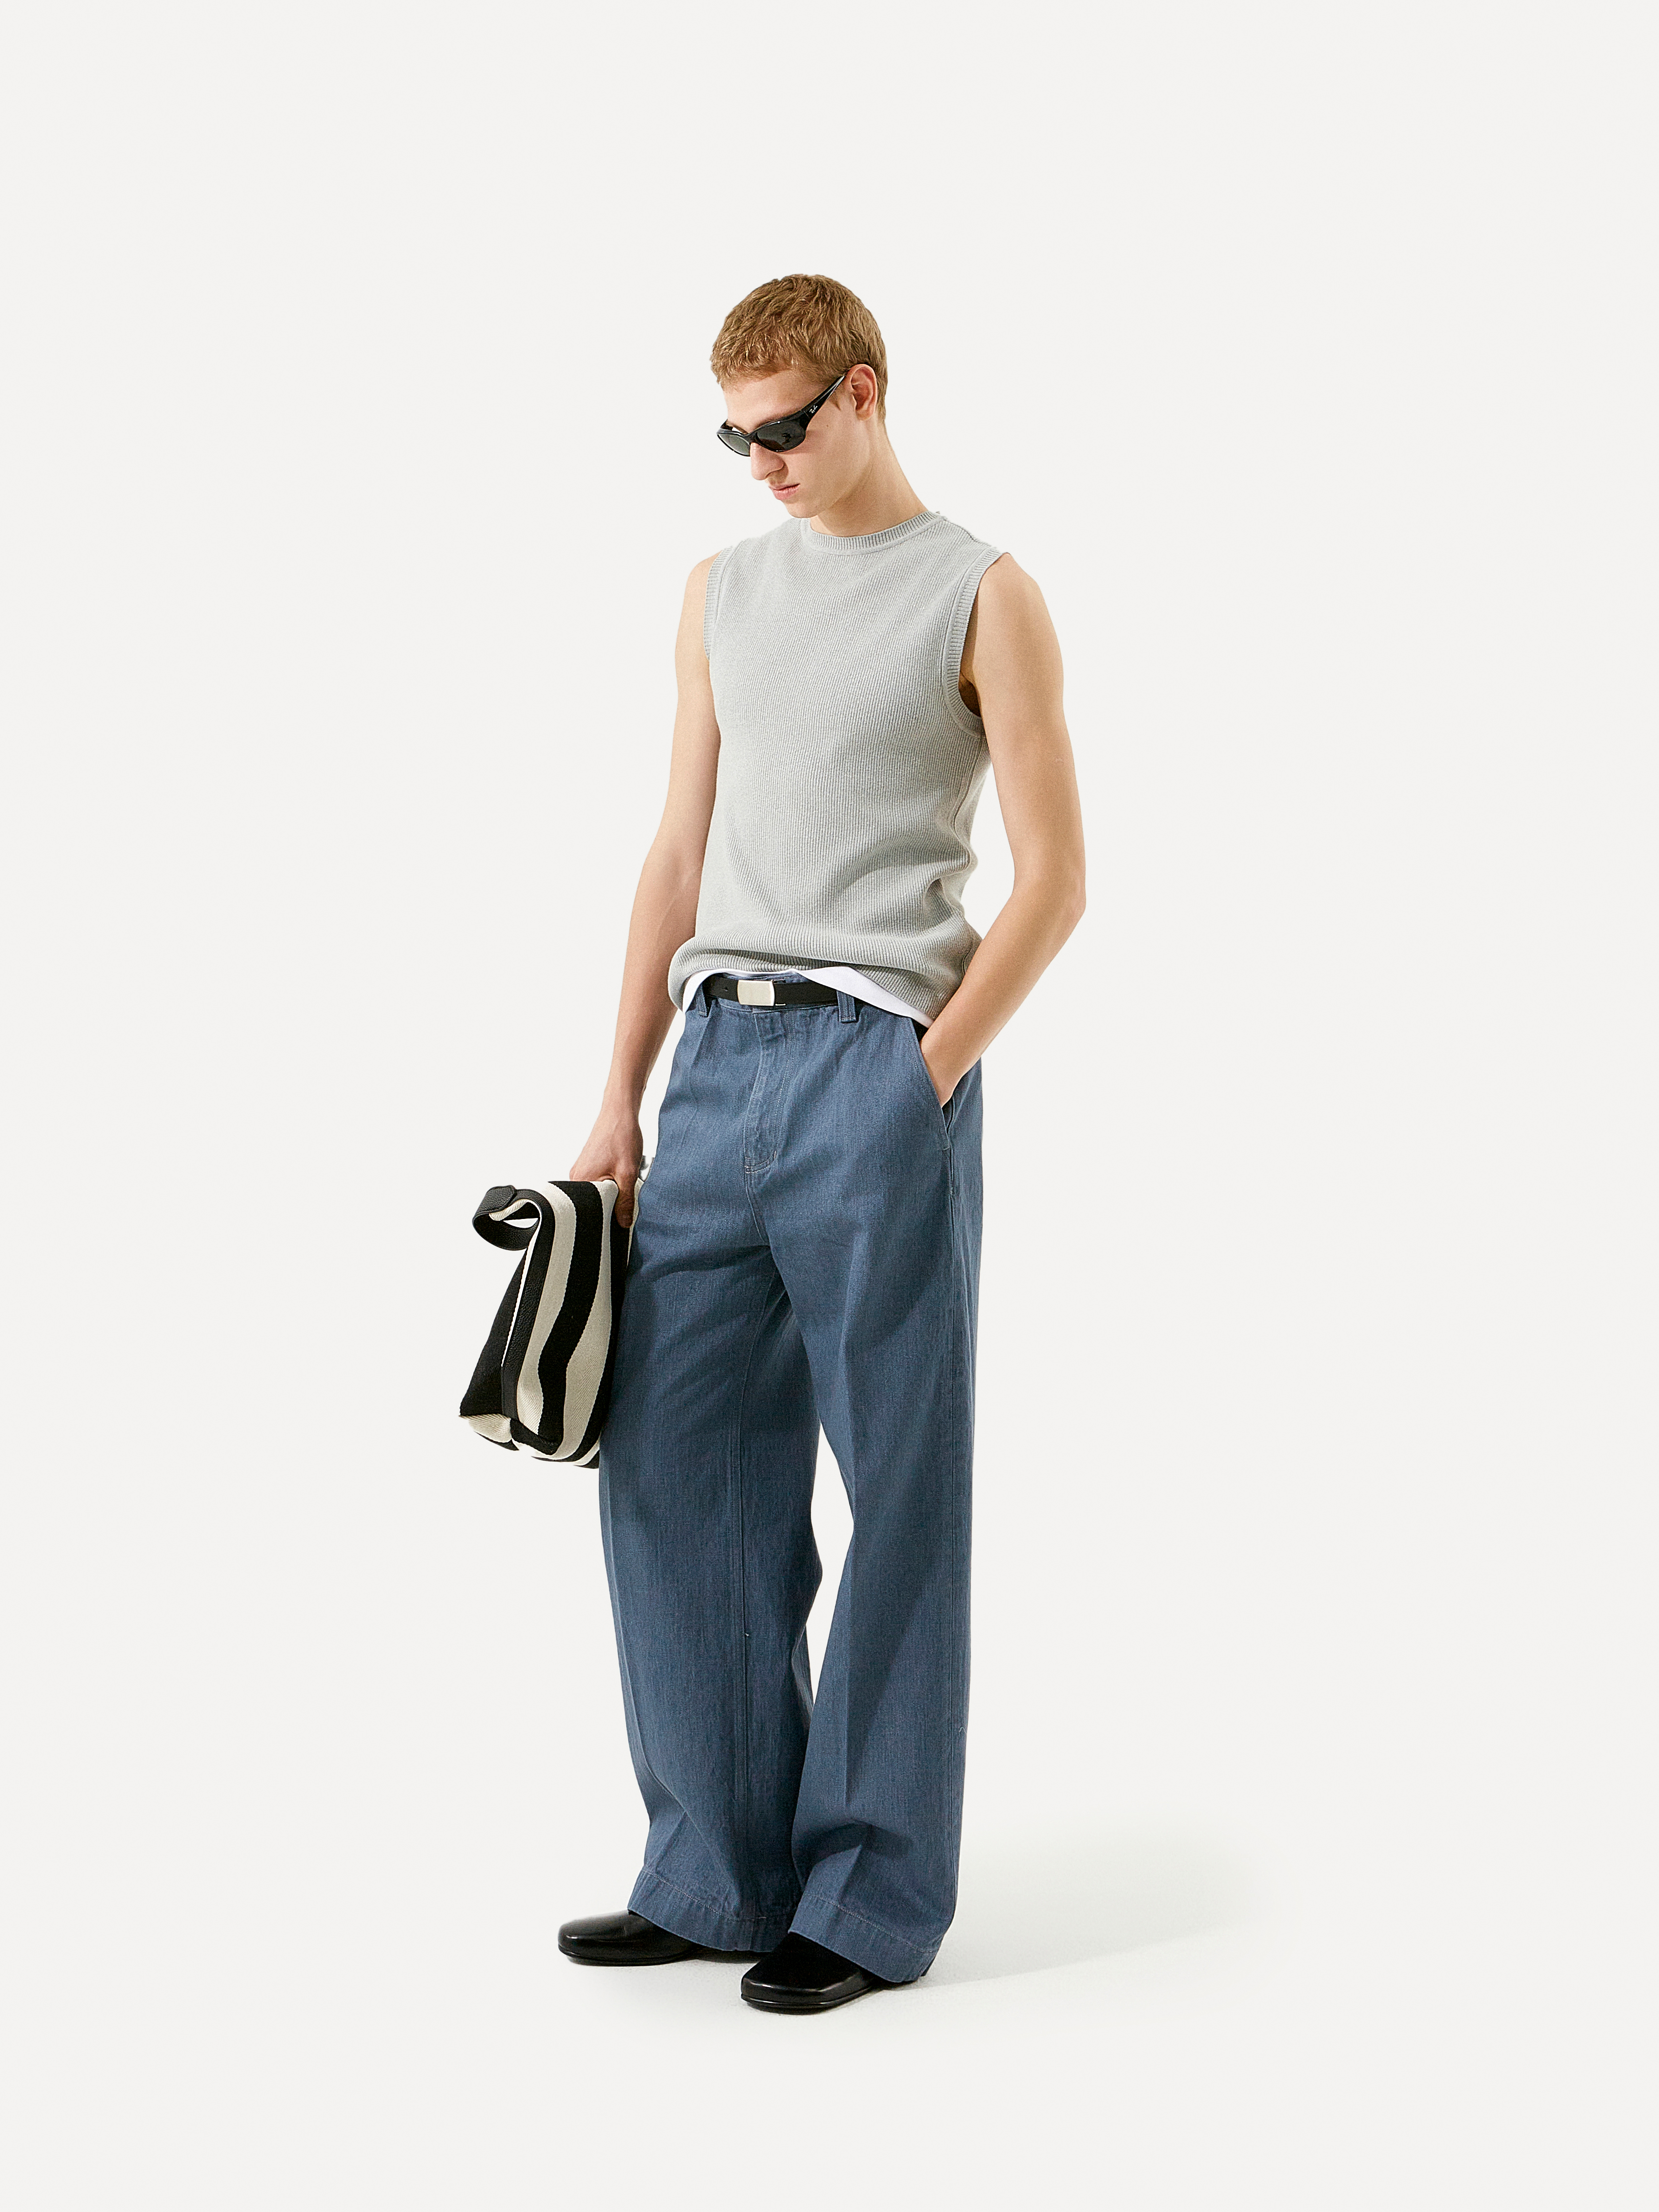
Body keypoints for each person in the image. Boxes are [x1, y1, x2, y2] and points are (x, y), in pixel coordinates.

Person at [561, 274, 1086, 2012]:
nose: (762, 462)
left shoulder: (983, 592)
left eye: (784, 427)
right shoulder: (719, 591)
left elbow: (1055, 879)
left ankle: (867, 1901)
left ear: (863, 392)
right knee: (671, 1470)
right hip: (713, 1063)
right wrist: (618, 1096)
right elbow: (675, 849)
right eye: (736, 437)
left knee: (902, 1486)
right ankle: (715, 1872)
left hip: (876, 1062)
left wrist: (923, 1073)